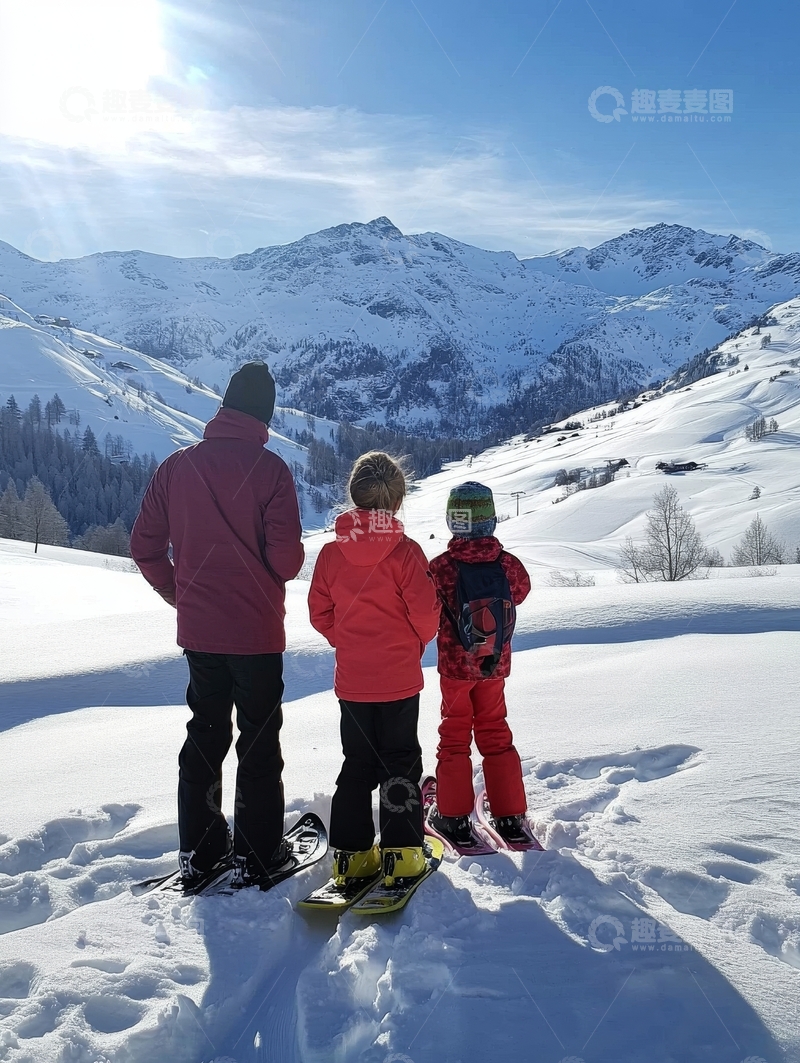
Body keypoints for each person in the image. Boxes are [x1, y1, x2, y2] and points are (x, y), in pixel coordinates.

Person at [130, 362, 304, 889]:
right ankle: (258, 851)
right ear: (265, 416)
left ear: (224, 406)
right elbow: (287, 564)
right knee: (258, 740)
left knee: (204, 735)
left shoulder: (176, 467)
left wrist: (180, 593)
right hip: (256, 635)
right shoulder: (272, 471)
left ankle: (200, 851)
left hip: (201, 635)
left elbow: (143, 547)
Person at [308, 452, 440, 888]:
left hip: (353, 682)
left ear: (354, 495)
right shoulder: (405, 553)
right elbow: (426, 614)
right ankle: (401, 855)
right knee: (400, 762)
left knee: (356, 763)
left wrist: (346, 641)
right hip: (400, 678)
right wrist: (412, 644)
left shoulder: (330, 555)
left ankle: (351, 856)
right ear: (397, 502)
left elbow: (319, 612)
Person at [427, 481, 532, 848]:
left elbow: (429, 607)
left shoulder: (441, 567)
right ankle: (510, 814)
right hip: (495, 664)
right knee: (495, 731)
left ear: (453, 522)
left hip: (456, 668)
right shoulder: (508, 564)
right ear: (491, 521)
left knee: (454, 736)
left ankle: (452, 816)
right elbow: (520, 592)